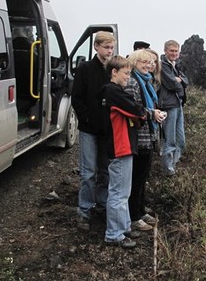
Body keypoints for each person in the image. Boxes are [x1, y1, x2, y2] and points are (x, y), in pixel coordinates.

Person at [98, 55, 146, 248]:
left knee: (123, 191)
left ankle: (124, 226)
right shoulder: (113, 91)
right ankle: (114, 233)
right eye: (126, 73)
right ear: (114, 72)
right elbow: (137, 110)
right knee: (118, 192)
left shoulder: (112, 91)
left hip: (123, 146)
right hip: (120, 146)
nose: (128, 77)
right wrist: (141, 114)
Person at [71, 31, 116, 230]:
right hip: (89, 129)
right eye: (106, 47)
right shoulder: (85, 68)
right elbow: (77, 98)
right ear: (96, 46)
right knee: (88, 172)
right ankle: (85, 210)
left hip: (107, 129)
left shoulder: (113, 70)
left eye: (112, 48)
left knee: (105, 170)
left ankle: (102, 204)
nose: (109, 51)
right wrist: (86, 118)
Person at [125, 50, 166, 232]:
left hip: (147, 135)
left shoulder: (146, 81)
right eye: (144, 62)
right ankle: (133, 216)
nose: (148, 65)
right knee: (136, 177)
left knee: (143, 176)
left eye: (150, 62)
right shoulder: (133, 82)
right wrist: (152, 114)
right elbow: (133, 109)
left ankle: (140, 210)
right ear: (135, 62)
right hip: (138, 136)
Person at [158, 40, 188, 176]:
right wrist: (179, 82)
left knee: (181, 141)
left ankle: (173, 166)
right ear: (165, 51)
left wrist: (180, 80)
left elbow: (186, 80)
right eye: (171, 51)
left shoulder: (176, 65)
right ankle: (168, 171)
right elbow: (171, 83)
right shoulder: (162, 65)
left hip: (178, 104)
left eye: (176, 51)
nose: (174, 53)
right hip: (169, 105)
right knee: (170, 141)